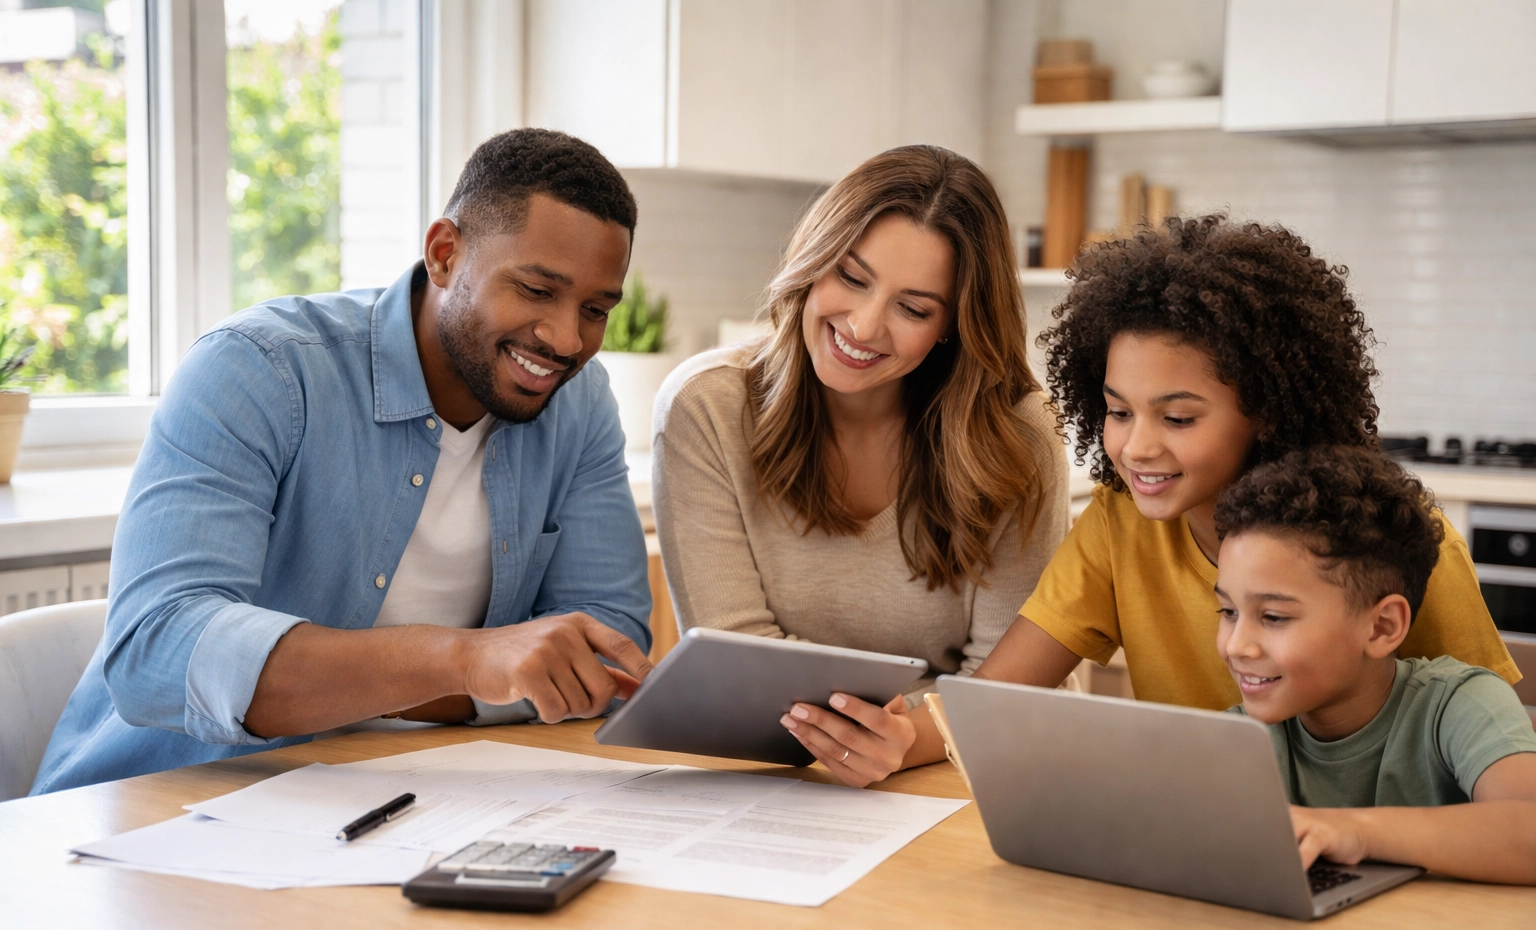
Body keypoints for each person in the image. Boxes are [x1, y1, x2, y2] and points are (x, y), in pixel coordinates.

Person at [33, 128, 656, 794]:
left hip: (419, 797)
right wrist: (462, 663)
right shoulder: (260, 369)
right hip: (170, 803)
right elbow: (157, 649)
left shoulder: (580, 402)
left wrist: (385, 683)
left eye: (595, 310)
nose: (566, 339)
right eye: (536, 290)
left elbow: (606, 652)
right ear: (445, 254)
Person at [652, 145, 1069, 788]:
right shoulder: (705, 407)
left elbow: (1002, 680)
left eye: (914, 308)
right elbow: (739, 660)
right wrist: (878, 732)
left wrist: (910, 739)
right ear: (812, 260)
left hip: (971, 762)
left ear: (954, 325)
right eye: (850, 276)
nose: (864, 325)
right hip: (788, 771)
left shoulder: (1016, 434)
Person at [976, 214, 1518, 704]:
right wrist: (901, 732)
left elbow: (1505, 764)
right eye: (1119, 412)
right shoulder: (1120, 523)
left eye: (1178, 419)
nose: (1136, 448)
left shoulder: (1392, 542)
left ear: (1267, 411)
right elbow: (992, 697)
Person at [1214, 446, 1536, 884]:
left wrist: (1355, 831)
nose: (1237, 646)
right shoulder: (1240, 739)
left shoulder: (1458, 704)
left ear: (1383, 627)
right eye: (1228, 612)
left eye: (1273, 617)